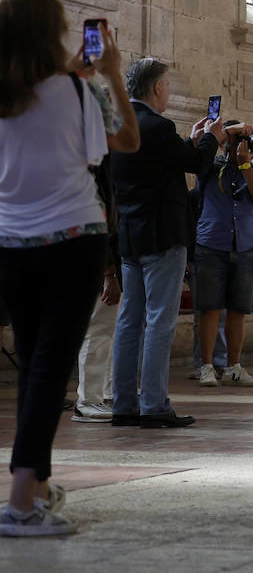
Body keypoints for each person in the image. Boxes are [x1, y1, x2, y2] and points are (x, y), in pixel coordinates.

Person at [0, 0, 138, 536]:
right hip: (74, 237)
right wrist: (113, 73)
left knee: (35, 363)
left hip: (11, 242)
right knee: (51, 368)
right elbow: (126, 139)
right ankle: (19, 503)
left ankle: (35, 487)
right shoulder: (79, 90)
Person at [111, 57, 222, 430]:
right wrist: (211, 138)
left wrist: (191, 142)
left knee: (129, 322)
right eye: (168, 86)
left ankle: (124, 404)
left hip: (130, 237)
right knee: (160, 321)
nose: (168, 91)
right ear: (157, 87)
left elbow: (165, 163)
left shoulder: (118, 125)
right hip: (162, 236)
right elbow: (197, 164)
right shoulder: (159, 127)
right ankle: (154, 404)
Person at [192, 120, 253, 388]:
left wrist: (246, 164)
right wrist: (226, 135)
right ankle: (206, 367)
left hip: (245, 246)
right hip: (211, 244)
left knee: (238, 310)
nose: (241, 146)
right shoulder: (210, 167)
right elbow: (195, 163)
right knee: (209, 308)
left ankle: (233, 367)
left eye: (244, 142)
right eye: (237, 140)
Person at [71, 152, 120, 422]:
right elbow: (101, 221)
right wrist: (109, 272)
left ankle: (100, 394)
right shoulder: (94, 171)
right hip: (96, 261)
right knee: (98, 329)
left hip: (94, 258)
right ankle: (88, 400)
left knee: (104, 331)